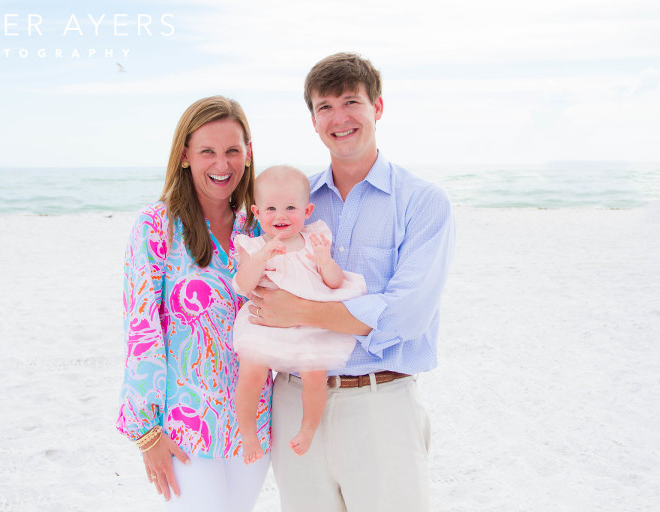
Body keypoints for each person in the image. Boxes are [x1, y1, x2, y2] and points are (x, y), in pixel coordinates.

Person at [249, 53, 456, 511]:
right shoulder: (291, 200)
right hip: (295, 400)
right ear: (313, 120)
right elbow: (253, 282)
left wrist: (300, 311)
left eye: (351, 102)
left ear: (377, 107)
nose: (339, 118)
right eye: (325, 106)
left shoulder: (422, 202)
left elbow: (405, 315)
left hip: (381, 404)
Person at [116, 96, 272, 512]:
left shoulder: (257, 227)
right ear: (185, 155)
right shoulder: (156, 227)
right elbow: (141, 330)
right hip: (184, 427)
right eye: (208, 151)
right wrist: (145, 432)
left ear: (248, 153)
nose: (222, 165)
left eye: (232, 151)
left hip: (251, 422)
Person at [231, 165, 366, 464]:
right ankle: (248, 431)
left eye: (291, 207)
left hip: (308, 323)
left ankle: (307, 429)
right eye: (271, 208)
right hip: (266, 324)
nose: (281, 215)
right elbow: (242, 285)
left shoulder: (314, 240)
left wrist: (324, 259)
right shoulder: (252, 246)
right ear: (256, 211)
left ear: (307, 210)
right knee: (251, 373)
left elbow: (334, 282)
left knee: (314, 376)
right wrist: (262, 257)